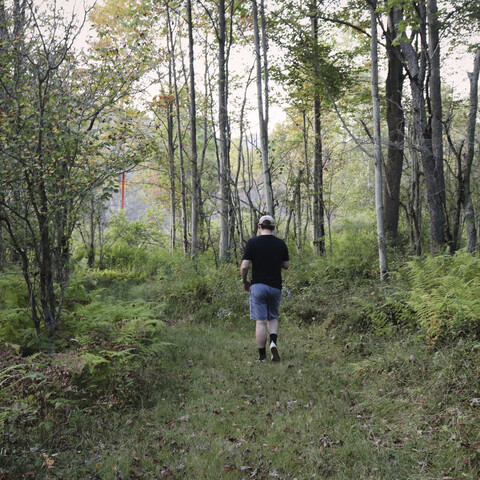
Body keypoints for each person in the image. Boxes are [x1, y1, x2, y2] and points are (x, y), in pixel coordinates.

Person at [240, 215, 290, 362]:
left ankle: (262, 357)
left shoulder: (252, 243)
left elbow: (244, 266)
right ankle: (273, 342)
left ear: (259, 226)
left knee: (261, 321)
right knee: (272, 317)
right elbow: (286, 265)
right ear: (273, 228)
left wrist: (244, 281)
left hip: (258, 286)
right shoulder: (280, 244)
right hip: (275, 287)